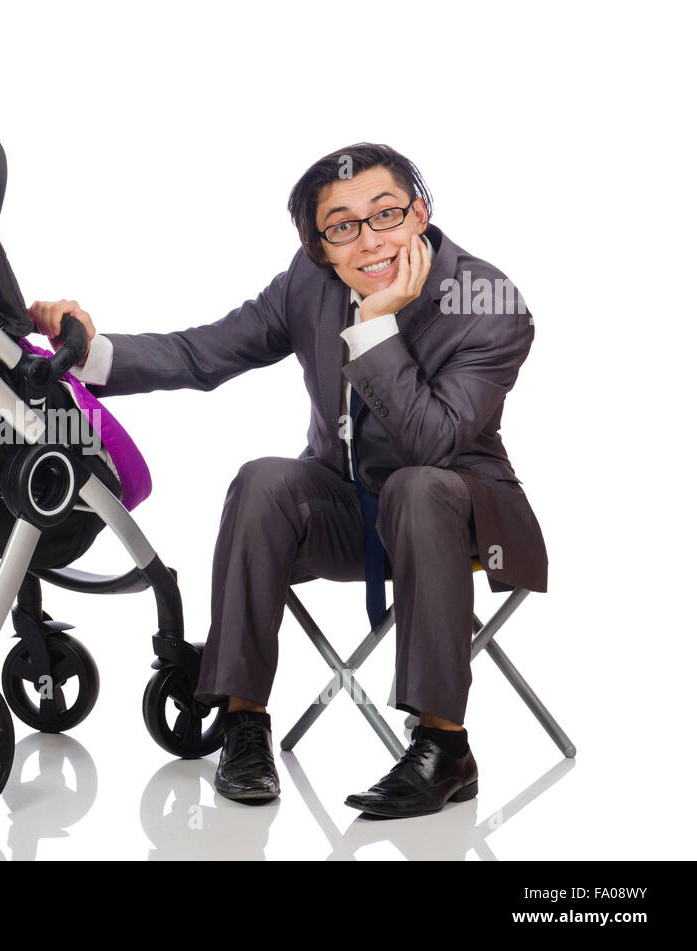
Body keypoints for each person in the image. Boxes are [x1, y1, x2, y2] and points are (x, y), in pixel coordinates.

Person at [28, 144, 547, 819]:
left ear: (420, 213)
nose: (369, 239)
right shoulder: (309, 285)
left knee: (419, 487)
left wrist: (378, 324)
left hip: (462, 516)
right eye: (342, 226)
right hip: (349, 508)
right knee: (264, 480)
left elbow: (432, 442)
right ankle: (244, 727)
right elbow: (202, 351)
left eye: (386, 213)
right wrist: (79, 353)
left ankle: (444, 747)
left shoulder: (491, 304)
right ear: (319, 247)